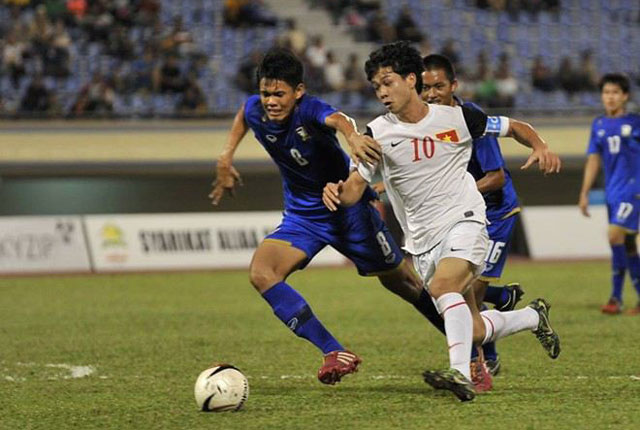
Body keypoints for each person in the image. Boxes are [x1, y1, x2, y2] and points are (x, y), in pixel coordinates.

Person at [322, 41, 561, 401]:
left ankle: (460, 375)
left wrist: (539, 145)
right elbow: (355, 190)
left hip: (466, 221)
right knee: (472, 327)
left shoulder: (459, 118)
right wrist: (336, 191)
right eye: (376, 86)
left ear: (411, 79)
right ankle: (532, 317)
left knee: (442, 287)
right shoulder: (376, 134)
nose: (382, 92)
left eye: (387, 82)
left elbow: (514, 127)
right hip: (422, 242)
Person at [209, 47, 447, 386]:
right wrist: (225, 158)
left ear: (298, 91)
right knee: (262, 273)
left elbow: (339, 120)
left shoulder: (310, 110)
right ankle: (334, 351)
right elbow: (242, 117)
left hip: (348, 211)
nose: (270, 101)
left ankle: (470, 343)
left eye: (279, 94)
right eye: (265, 93)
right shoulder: (255, 109)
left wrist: (353, 137)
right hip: (303, 216)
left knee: (405, 284)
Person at [421, 54, 525, 377]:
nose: (432, 94)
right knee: (445, 289)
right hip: (461, 214)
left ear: (454, 86)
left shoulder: (471, 120)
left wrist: (457, 194)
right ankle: (502, 297)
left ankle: (482, 360)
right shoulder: (425, 123)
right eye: (426, 88)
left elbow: (497, 177)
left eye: (439, 86)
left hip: (496, 215)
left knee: (469, 295)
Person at [579, 73, 640, 315]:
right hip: (612, 192)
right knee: (627, 244)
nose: (610, 97)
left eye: (615, 92)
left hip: (633, 190)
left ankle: (616, 298)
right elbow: (593, 159)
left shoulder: (635, 122)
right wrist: (584, 192)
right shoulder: (599, 125)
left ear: (625, 96)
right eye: (606, 92)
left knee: (614, 235)